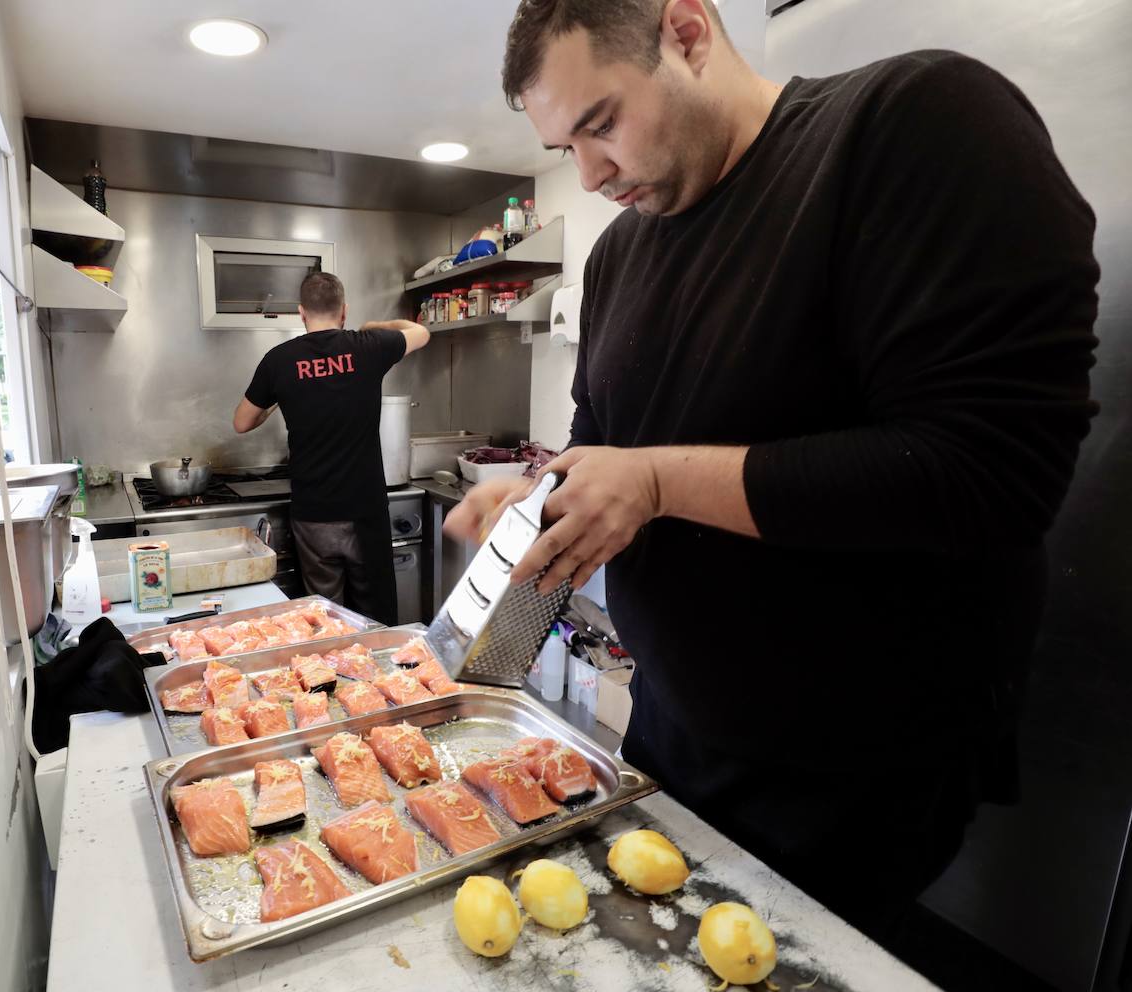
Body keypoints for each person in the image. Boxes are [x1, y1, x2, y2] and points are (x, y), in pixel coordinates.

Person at [445, 0, 1100, 938]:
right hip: (673, 736)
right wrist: (546, 496)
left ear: (686, 29)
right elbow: (607, 445)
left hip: (856, 776)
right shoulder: (623, 255)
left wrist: (661, 481)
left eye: (602, 124)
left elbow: (992, 472)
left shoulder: (909, 124)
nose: (591, 176)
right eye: (566, 149)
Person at [234, 271, 429, 624]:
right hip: (363, 510)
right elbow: (421, 332)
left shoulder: (278, 360)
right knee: (374, 618)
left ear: (301, 312)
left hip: (313, 513)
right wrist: (379, 325)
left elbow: (242, 422)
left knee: (325, 618)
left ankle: (330, 674)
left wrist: (276, 402)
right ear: (344, 311)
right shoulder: (369, 345)